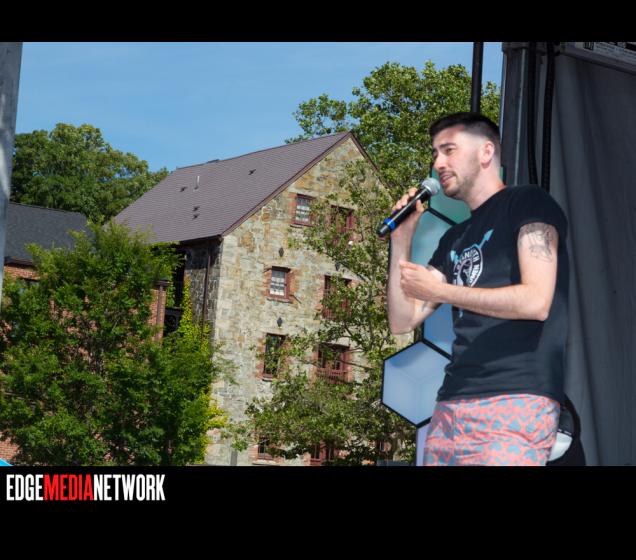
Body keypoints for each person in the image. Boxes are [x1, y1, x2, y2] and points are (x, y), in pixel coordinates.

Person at [386, 112, 569, 466]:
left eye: (448, 150)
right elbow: (402, 320)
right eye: (435, 153)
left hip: (515, 399)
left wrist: (443, 292)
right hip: (450, 406)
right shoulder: (455, 237)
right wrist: (401, 240)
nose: (437, 163)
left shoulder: (528, 202)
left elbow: (536, 301)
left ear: (486, 152)